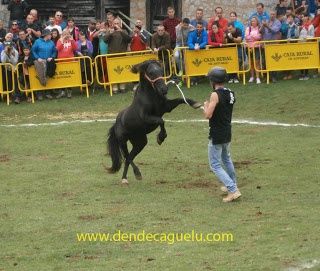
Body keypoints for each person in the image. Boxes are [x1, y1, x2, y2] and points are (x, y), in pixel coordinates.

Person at [203, 66, 240, 203]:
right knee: (226, 159)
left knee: (215, 165)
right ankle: (233, 184)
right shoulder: (230, 93)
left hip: (217, 133)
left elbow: (208, 115)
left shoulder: (214, 95)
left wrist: (206, 106)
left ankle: (233, 189)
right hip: (226, 131)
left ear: (213, 81)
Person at [31, 29, 56, 100]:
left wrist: (51, 57)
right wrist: (37, 58)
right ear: (46, 35)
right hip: (39, 62)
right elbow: (33, 51)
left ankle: (47, 92)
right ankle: (39, 93)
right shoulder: (37, 41)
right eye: (50, 34)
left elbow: (54, 51)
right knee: (39, 76)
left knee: (47, 76)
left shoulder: (51, 42)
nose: (51, 35)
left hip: (48, 62)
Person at [245, 16, 262, 84]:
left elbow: (259, 37)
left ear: (257, 21)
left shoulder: (259, 28)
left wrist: (252, 36)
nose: (253, 22)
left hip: (256, 47)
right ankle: (252, 77)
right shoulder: (248, 28)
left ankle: (258, 77)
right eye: (252, 21)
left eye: (254, 21)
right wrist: (254, 36)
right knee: (251, 62)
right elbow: (246, 37)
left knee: (257, 62)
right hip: (248, 47)